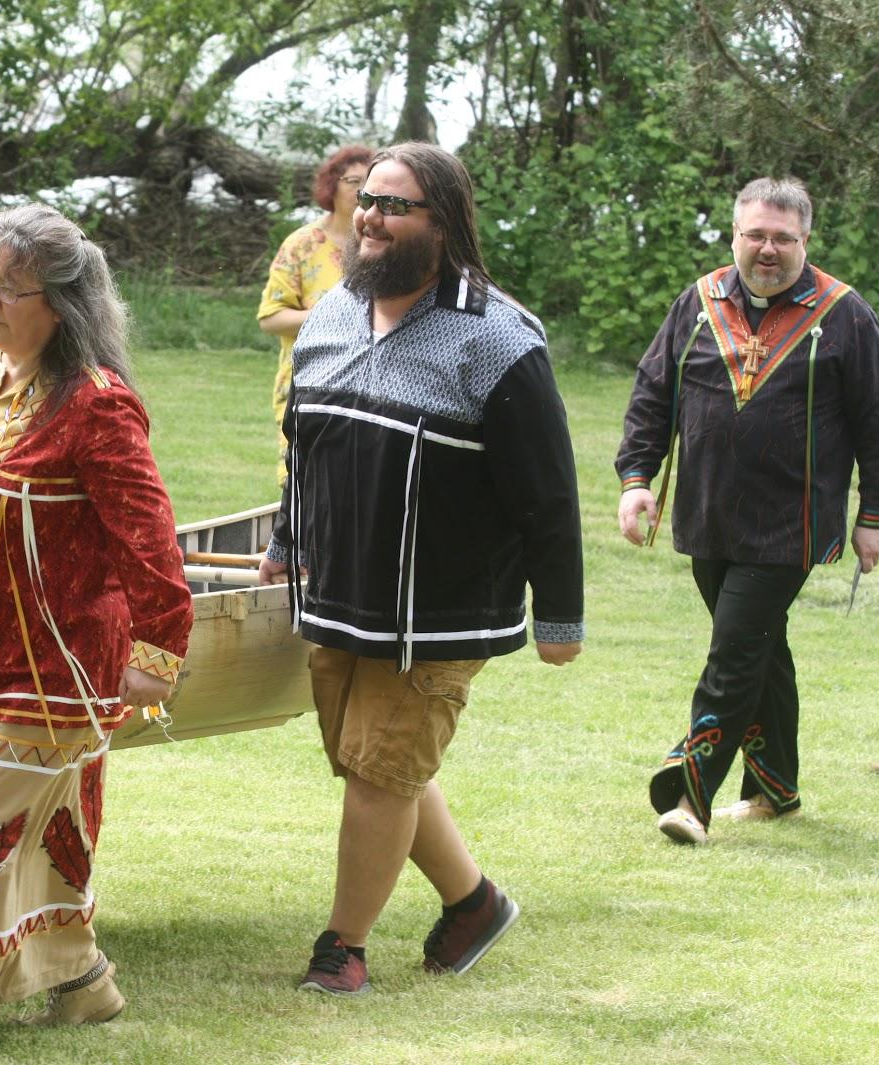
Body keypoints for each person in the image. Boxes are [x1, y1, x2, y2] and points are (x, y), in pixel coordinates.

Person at [257, 143, 584, 995]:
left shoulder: (497, 338)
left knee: (379, 769)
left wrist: (560, 617)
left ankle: (343, 950)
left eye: (394, 205)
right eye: (367, 200)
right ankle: (474, 903)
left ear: (443, 223)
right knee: (370, 761)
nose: (371, 216)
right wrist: (286, 541)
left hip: (440, 608)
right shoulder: (332, 315)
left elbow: (548, 488)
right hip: (340, 592)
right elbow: (305, 447)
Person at [0, 203, 193, 1052]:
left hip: (56, 661)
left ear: (59, 307)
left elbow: (150, 540)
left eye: (9, 289)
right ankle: (84, 983)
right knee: (48, 830)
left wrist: (157, 654)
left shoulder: (97, 407)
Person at [616, 177, 879, 845]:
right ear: (734, 234)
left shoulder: (844, 313)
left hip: (792, 522)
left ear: (805, 240)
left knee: (734, 651)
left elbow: (877, 422)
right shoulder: (699, 301)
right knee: (760, 646)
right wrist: (637, 478)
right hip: (707, 514)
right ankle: (774, 789)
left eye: (782, 238)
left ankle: (690, 795)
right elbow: (654, 392)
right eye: (755, 235)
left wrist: (874, 514)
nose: (767, 249)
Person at [257, 144, 375, 484]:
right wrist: (332, 316)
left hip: (371, 388)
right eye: (353, 181)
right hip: (308, 383)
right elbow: (270, 318)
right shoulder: (302, 244)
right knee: (302, 479)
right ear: (331, 186)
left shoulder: (381, 244)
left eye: (369, 183)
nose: (362, 190)